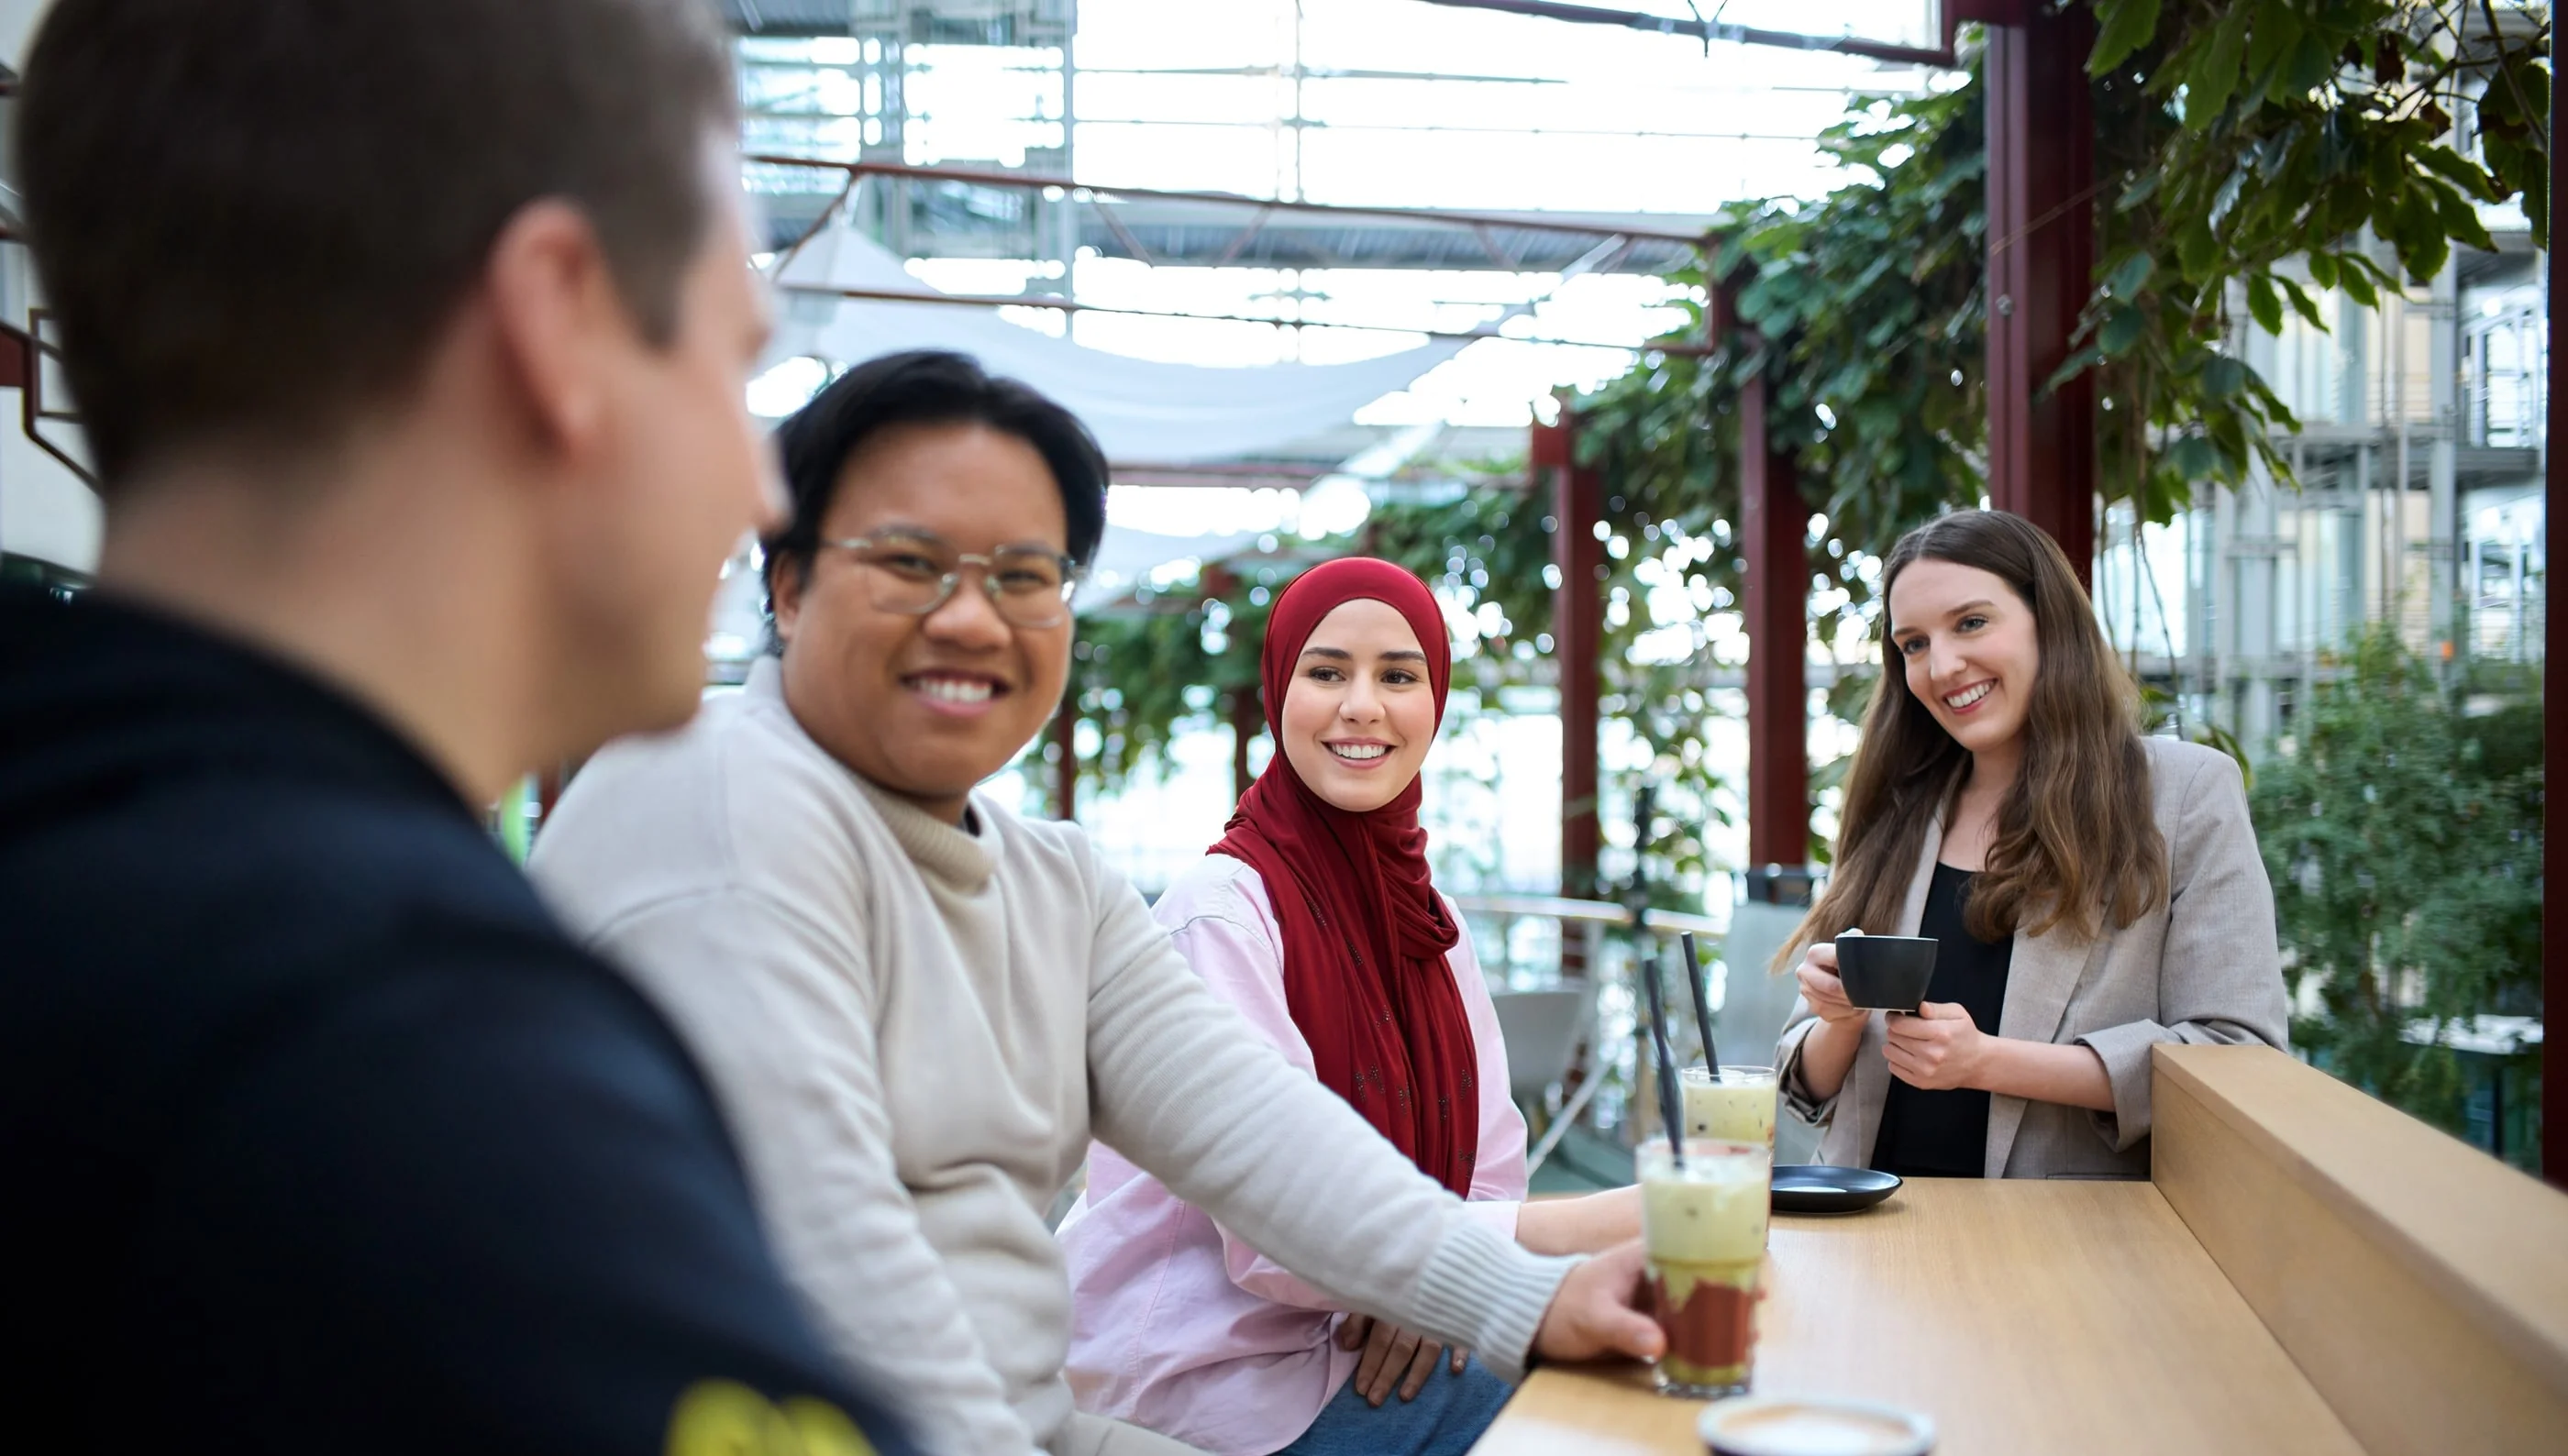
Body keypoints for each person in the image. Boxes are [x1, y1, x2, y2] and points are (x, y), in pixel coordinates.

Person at [0, 2, 916, 1450]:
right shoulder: (400, 1058)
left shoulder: (82, 875)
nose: (762, 495)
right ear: (558, 319)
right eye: (735, 370)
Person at [531, 351, 1663, 1456]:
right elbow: (833, 1283)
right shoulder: (713, 794)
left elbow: (1252, 1130)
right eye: (911, 562)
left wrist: (1522, 1302)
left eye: (1024, 576)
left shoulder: (1054, 880)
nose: (972, 619)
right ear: (788, 583)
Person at [1056, 557, 1642, 1456]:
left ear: (1434, 702)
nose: (1362, 705)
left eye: (1397, 675)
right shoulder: (1223, 913)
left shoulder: (1425, 923)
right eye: (1326, 672)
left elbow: (1493, 1164)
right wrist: (1629, 1216)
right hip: (1217, 1383)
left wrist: (1439, 1289)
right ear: (1277, 693)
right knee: (1610, 1410)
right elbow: (1275, 1232)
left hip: (1360, 1343)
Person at [1774, 510, 2288, 1180]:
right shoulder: (1898, 807)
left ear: (2049, 621)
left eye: (1971, 623)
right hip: (1874, 1246)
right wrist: (1837, 1021)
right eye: (1914, 644)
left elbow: (2234, 1055)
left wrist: (1987, 1061)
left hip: (2062, 1255)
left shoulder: (2183, 794)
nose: (1942, 666)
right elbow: (1801, 1089)